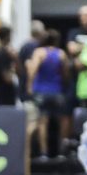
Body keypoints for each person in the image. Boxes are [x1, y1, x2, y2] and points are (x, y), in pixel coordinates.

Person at [27, 29, 68, 160]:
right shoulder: (61, 53)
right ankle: (60, 152)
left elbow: (33, 70)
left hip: (41, 91)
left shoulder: (39, 52)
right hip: (56, 91)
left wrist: (29, 85)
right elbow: (65, 73)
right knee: (59, 121)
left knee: (42, 122)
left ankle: (44, 152)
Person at [0, 24, 18, 107]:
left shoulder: (1, 52)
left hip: (2, 96)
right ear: (8, 36)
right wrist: (13, 67)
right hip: (3, 97)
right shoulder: (2, 54)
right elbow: (7, 78)